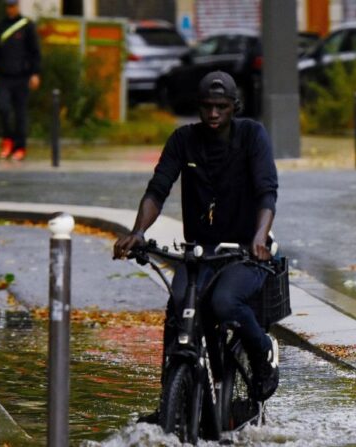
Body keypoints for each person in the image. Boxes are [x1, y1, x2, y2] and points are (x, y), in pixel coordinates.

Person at [113, 70, 280, 419]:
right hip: (200, 254)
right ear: (199, 107)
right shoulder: (182, 140)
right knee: (179, 309)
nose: (214, 114)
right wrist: (138, 231)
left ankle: (264, 355)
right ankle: (169, 401)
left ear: (234, 106)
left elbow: (267, 192)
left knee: (224, 303)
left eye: (221, 106)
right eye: (207, 106)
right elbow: (158, 190)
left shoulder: (252, 135)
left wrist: (260, 237)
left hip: (244, 252)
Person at [0, 0, 41, 161]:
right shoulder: (1, 26)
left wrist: (35, 73)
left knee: (20, 113)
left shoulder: (27, 26)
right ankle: (7, 140)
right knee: (3, 108)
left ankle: (20, 147)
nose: (10, 9)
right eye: (8, 6)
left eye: (13, 6)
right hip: (4, 76)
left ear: (17, 7)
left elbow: (35, 52)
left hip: (22, 76)